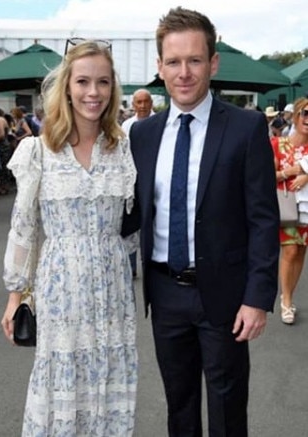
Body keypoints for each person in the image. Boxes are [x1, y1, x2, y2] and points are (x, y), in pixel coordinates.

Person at [122, 7, 279, 436]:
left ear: (213, 62)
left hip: (226, 296)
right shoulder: (143, 134)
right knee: (180, 405)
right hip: (164, 292)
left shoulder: (246, 128)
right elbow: (130, 211)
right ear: (159, 67)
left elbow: (263, 219)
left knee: (228, 410)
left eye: (194, 60)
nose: (184, 72)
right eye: (173, 62)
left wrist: (257, 297)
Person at [1, 39, 137, 436]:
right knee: (61, 379)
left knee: (108, 381)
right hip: (60, 290)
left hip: (113, 290)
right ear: (67, 87)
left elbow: (133, 226)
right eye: (82, 82)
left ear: (114, 89)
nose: (92, 92)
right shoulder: (38, 151)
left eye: (103, 82)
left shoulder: (124, 149)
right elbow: (24, 226)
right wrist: (16, 295)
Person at [271, 97, 308, 325]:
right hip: (286, 205)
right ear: (296, 116)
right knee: (291, 251)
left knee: (300, 252)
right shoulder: (278, 144)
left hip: (307, 209)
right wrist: (291, 172)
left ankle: (290, 296)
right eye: (306, 113)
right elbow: (266, 174)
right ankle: (285, 299)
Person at [122, 88, 155, 278]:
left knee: (151, 227)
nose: (142, 106)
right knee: (132, 225)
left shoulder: (160, 123)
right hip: (132, 182)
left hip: (152, 182)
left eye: (145, 102)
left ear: (151, 103)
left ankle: (151, 265)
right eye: (138, 102)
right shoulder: (127, 126)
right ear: (133, 105)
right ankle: (132, 266)